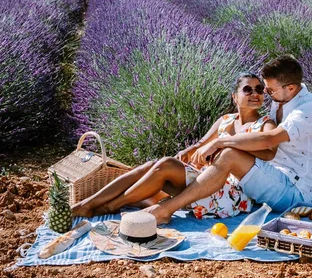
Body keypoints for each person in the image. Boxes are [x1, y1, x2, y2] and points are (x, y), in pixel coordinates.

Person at [144, 54, 312, 224]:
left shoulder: (307, 110)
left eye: (270, 90)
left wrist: (220, 142)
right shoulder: (284, 96)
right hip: (274, 176)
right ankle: (149, 200)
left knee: (229, 155)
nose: (264, 93)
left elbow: (269, 139)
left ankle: (166, 209)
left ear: (290, 87)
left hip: (295, 191)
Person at [72, 72, 277, 219]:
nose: (255, 93)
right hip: (205, 182)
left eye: (259, 89)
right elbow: (201, 144)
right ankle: (87, 204)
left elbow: (269, 151)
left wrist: (224, 146)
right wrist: (188, 152)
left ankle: (111, 206)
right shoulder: (225, 120)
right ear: (235, 96)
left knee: (166, 165)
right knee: (153, 164)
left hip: (233, 194)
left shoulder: (265, 124)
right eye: (247, 89)